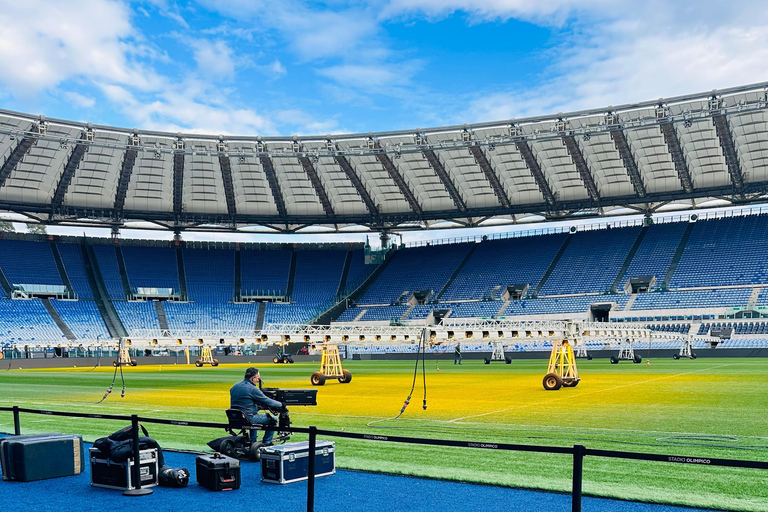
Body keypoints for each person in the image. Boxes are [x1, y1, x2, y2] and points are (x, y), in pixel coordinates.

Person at [230, 367, 285, 446]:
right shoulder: (253, 389)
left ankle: (253, 440)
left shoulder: (234, 386)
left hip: (235, 417)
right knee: (274, 419)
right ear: (253, 378)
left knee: (253, 417)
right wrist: (281, 404)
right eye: (258, 379)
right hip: (248, 418)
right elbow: (268, 401)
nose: (258, 381)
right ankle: (267, 442)